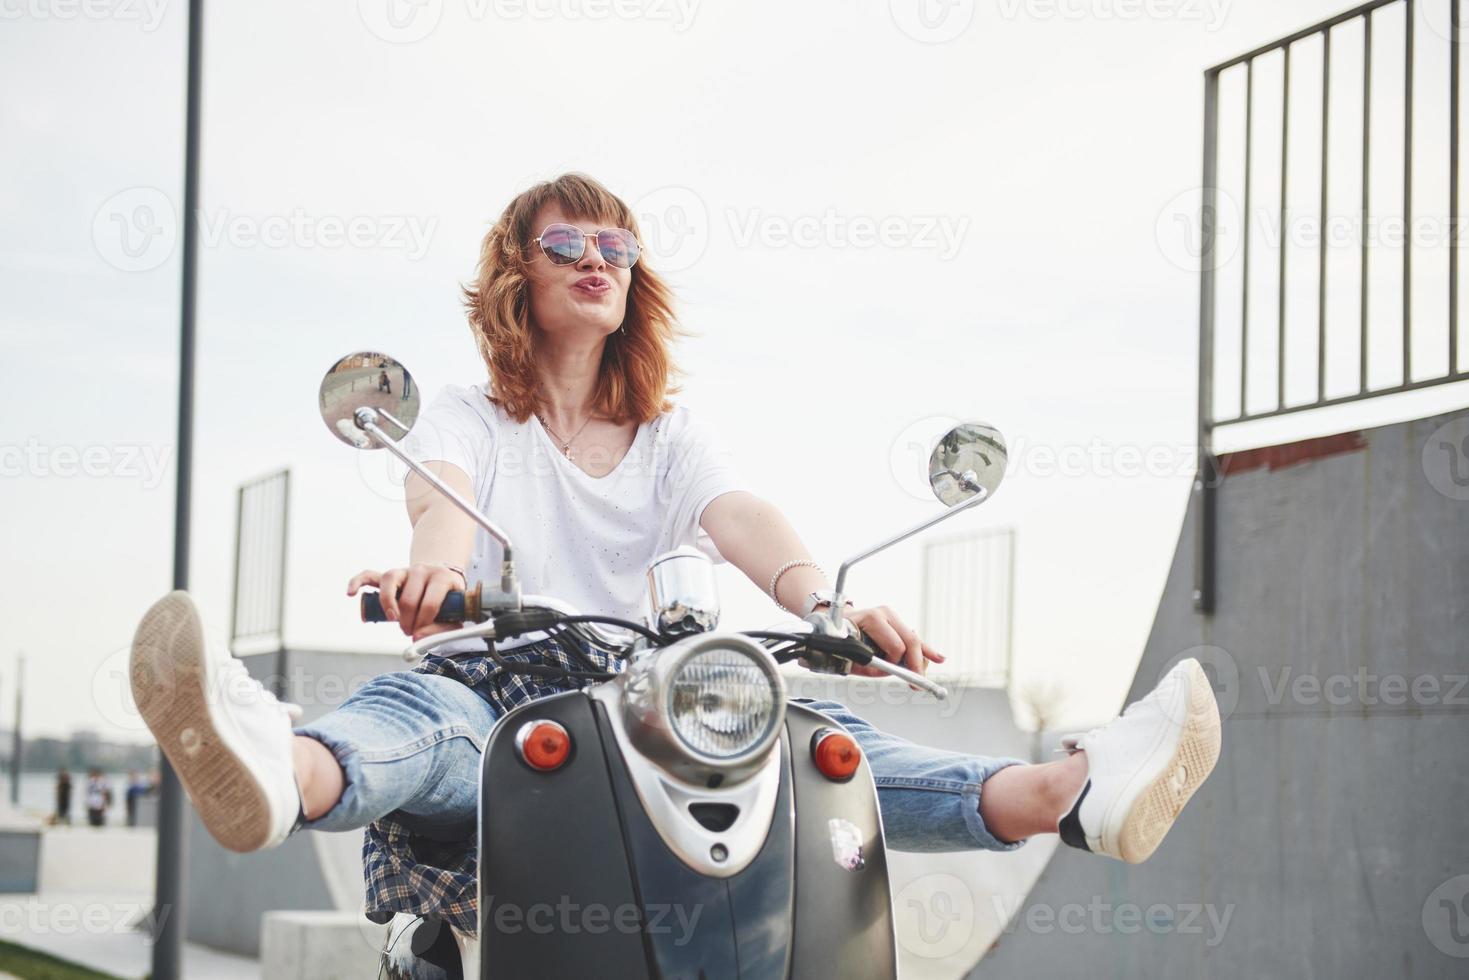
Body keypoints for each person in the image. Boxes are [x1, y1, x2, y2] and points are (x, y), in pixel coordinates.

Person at [128, 174, 1221, 935]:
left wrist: (826, 604)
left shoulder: (669, 432)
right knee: (428, 724)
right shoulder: (466, 413)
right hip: (496, 682)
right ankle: (277, 764)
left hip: (651, 699)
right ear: (518, 268)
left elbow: (741, 518)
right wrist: (434, 570)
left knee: (815, 747)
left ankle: (1073, 792)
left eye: (617, 247)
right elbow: (445, 503)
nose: (597, 260)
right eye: (568, 243)